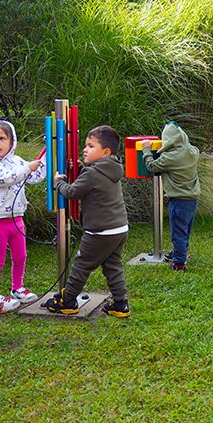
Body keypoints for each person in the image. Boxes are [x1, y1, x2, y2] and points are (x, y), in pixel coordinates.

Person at [45, 125, 130, 317]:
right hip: (119, 228)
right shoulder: (112, 169)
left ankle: (68, 302)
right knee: (113, 266)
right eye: (85, 145)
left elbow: (73, 192)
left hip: (99, 231)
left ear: (105, 152)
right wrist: (81, 168)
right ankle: (120, 305)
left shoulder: (92, 174)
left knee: (82, 265)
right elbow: (93, 182)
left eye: (90, 146)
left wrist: (58, 181)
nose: (85, 149)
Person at [0, 120, 45, 312]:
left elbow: (34, 176)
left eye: (2, 138)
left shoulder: (16, 161)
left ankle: (17, 288)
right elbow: (7, 178)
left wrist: (45, 159)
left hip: (17, 219)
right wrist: (28, 167)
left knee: (20, 256)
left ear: (12, 141)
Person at [141, 121, 200, 271]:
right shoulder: (193, 152)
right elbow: (185, 144)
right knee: (185, 230)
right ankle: (180, 254)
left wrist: (146, 149)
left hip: (179, 200)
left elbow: (151, 166)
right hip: (192, 199)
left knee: (178, 233)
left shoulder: (170, 158)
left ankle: (179, 263)